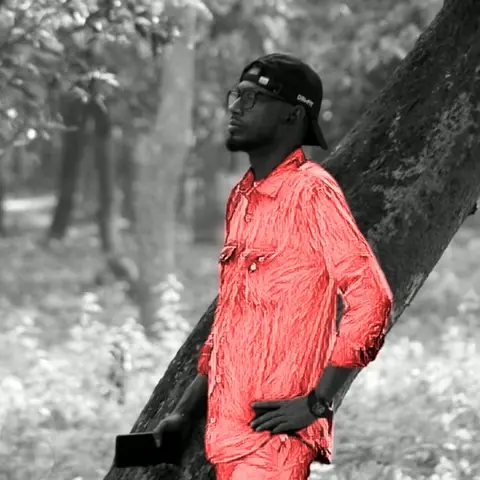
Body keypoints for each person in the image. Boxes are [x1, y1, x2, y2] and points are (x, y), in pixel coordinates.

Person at [154, 53, 393, 479]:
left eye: (254, 99)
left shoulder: (311, 192)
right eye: (237, 95)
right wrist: (186, 412)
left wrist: (318, 402)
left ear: (292, 116)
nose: (236, 107)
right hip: (228, 439)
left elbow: (372, 297)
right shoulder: (242, 198)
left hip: (275, 444)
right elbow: (232, 320)